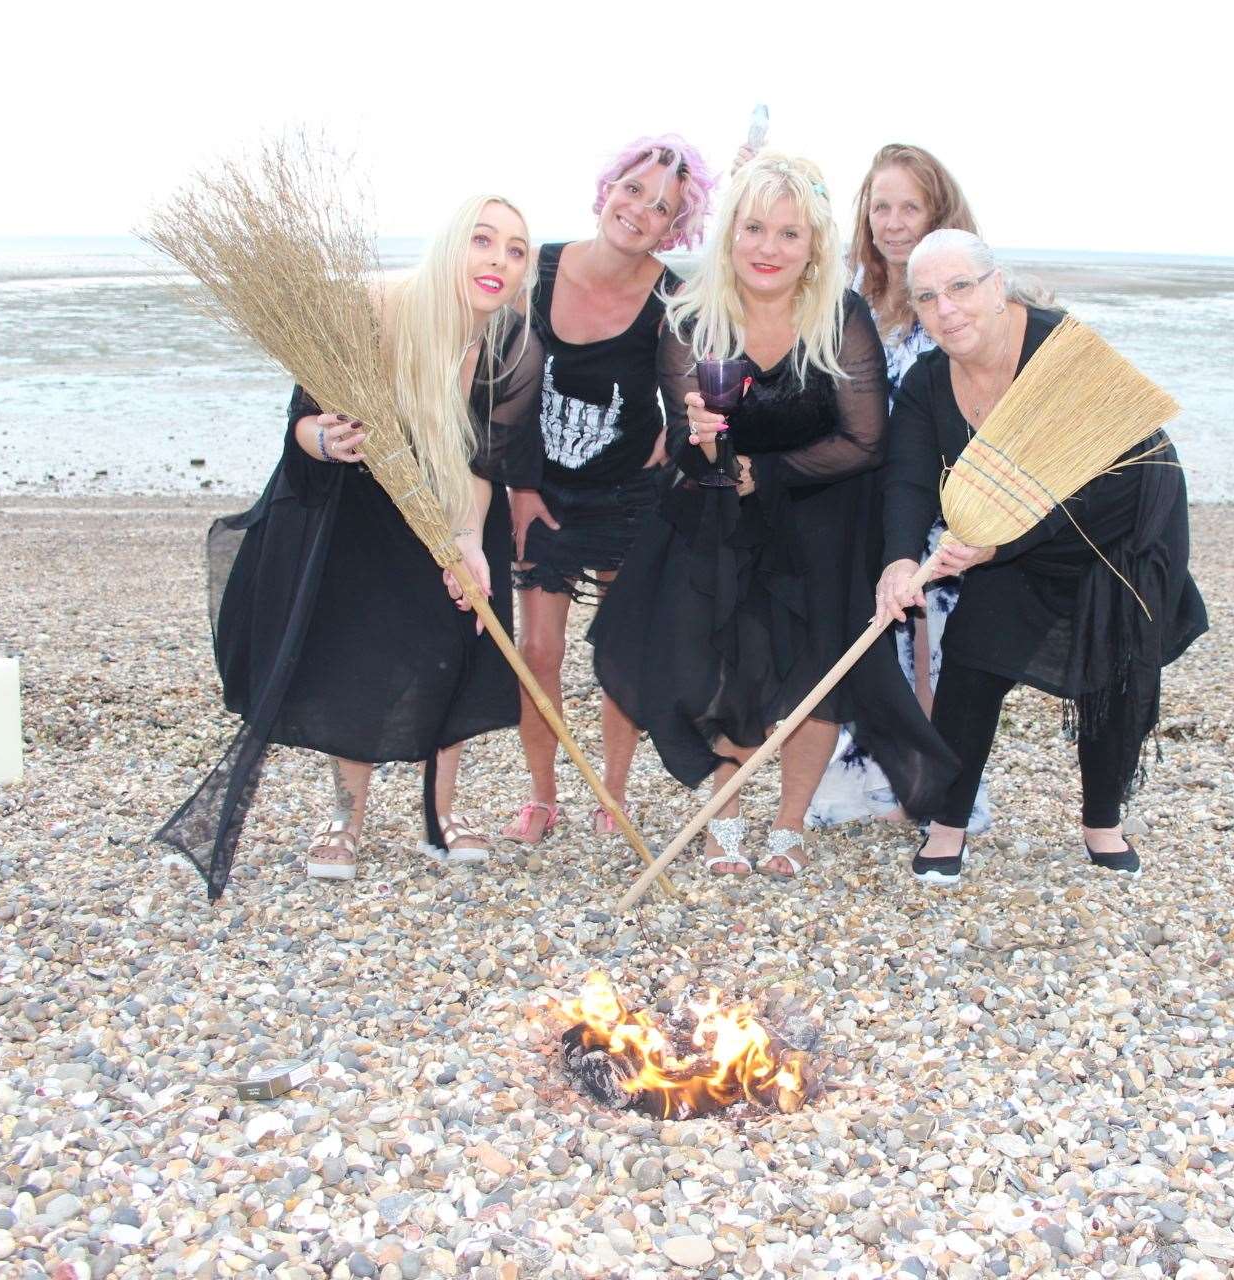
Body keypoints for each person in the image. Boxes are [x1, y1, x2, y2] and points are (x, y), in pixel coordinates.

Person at [155, 195, 544, 891]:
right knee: (356, 658)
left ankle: (439, 813)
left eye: (516, 250)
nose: (498, 261)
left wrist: (468, 544)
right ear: (451, 244)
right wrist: (327, 440)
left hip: (455, 502)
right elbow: (302, 423)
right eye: (483, 240)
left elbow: (488, 458)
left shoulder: (511, 344)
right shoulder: (372, 308)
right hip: (362, 505)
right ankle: (345, 817)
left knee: (453, 647)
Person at [590, 152, 955, 878]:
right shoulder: (691, 317)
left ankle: (787, 828)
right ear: (730, 234)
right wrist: (709, 451)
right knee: (714, 675)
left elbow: (863, 439)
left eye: (789, 234)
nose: (769, 248)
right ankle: (722, 828)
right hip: (712, 519)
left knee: (814, 674)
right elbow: (687, 448)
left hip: (822, 519)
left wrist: (770, 471)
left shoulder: (839, 315)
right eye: (755, 228)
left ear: (813, 245)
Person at [877, 229, 1208, 885]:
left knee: (1115, 669)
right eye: (927, 298)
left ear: (996, 286)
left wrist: (1002, 541)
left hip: (1119, 523)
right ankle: (949, 823)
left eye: (961, 288)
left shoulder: (1061, 352)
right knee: (972, 658)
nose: (946, 309)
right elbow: (909, 482)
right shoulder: (927, 382)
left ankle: (1102, 822)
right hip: (1013, 536)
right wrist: (895, 562)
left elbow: (1116, 475)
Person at [501, 136, 716, 847]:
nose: (640, 211)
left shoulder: (671, 297)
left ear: (673, 228)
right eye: (633, 190)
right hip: (542, 493)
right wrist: (520, 486)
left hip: (627, 493)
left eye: (661, 208)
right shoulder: (540, 267)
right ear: (607, 188)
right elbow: (500, 388)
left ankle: (611, 791)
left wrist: (678, 439)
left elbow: (685, 396)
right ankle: (542, 795)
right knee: (538, 650)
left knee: (619, 651)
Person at [809, 143, 989, 830]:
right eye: (880, 205)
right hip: (854, 499)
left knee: (937, 652)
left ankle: (941, 795)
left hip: (937, 505)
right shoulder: (848, 288)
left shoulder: (951, 292)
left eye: (908, 205)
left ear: (937, 210)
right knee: (866, 645)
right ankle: (867, 788)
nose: (892, 220)